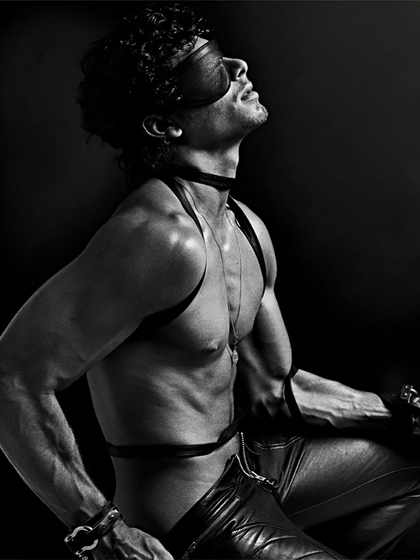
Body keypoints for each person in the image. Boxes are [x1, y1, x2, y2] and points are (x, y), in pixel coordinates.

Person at [1, 3, 420, 559]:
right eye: (212, 69)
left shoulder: (244, 227)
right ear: (165, 125)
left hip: (256, 469)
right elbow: (13, 375)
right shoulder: (156, 239)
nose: (239, 67)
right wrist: (99, 530)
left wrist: (401, 412)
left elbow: (277, 390)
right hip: (194, 515)